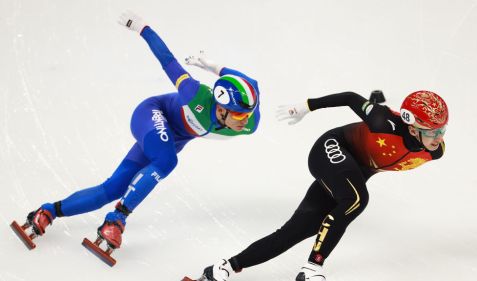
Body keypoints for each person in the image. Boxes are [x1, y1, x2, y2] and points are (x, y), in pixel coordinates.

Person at [12, 11, 261, 257]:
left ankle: (47, 212)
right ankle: (116, 219)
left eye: (246, 115)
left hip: (166, 139)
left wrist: (215, 67)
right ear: (220, 105)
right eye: (238, 115)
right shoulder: (194, 94)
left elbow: (253, 83)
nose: (244, 122)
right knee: (167, 160)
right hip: (151, 114)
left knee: (112, 189)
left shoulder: (250, 122)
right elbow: (167, 60)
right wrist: (143, 28)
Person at [194, 90, 447, 281]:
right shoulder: (383, 122)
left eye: (442, 130)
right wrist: (305, 107)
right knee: (357, 199)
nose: (439, 137)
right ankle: (312, 268)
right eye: (433, 131)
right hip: (332, 148)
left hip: (349, 174)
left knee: (295, 231)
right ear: (413, 128)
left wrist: (378, 101)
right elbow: (350, 98)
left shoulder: (435, 152)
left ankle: (223, 268)